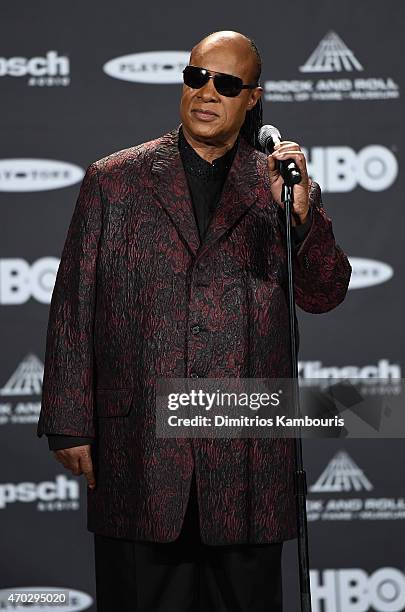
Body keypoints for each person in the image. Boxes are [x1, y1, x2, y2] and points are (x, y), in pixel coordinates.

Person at [37, 30, 351, 612]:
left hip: (247, 455)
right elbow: (74, 304)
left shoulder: (281, 187)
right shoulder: (113, 179)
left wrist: (306, 220)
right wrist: (67, 421)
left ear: (253, 98)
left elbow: (325, 293)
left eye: (226, 84)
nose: (206, 93)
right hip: (140, 448)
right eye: (195, 77)